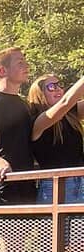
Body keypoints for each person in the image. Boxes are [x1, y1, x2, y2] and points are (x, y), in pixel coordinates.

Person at [0, 47, 37, 205]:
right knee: (8, 230)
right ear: (3, 70)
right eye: (20, 63)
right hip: (2, 188)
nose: (26, 66)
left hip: (27, 185)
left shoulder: (23, 105)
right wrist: (0, 164)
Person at [28, 72, 84, 202]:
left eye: (59, 85)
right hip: (54, 188)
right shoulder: (39, 121)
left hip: (80, 182)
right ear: (40, 94)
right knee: (60, 223)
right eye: (51, 86)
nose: (58, 89)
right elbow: (66, 102)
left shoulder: (70, 116)